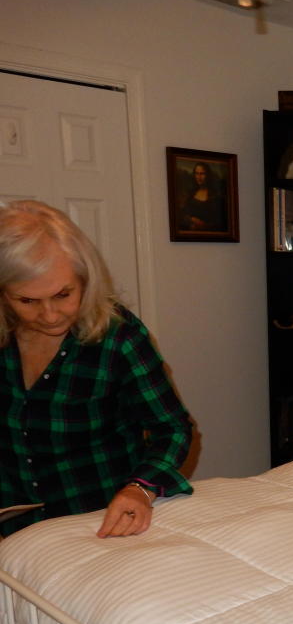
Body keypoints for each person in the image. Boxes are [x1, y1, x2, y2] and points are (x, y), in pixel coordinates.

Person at [0, 200, 193, 539]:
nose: (50, 315)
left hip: (100, 524)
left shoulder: (118, 335)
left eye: (63, 294)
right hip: (14, 529)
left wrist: (140, 488)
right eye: (27, 301)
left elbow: (173, 429)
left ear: (84, 279)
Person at [179, 161, 225, 232]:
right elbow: (182, 214)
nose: (199, 177)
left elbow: (219, 222)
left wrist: (204, 226)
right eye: (197, 173)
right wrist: (191, 220)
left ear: (208, 175)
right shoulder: (190, 194)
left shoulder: (215, 196)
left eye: (202, 174)